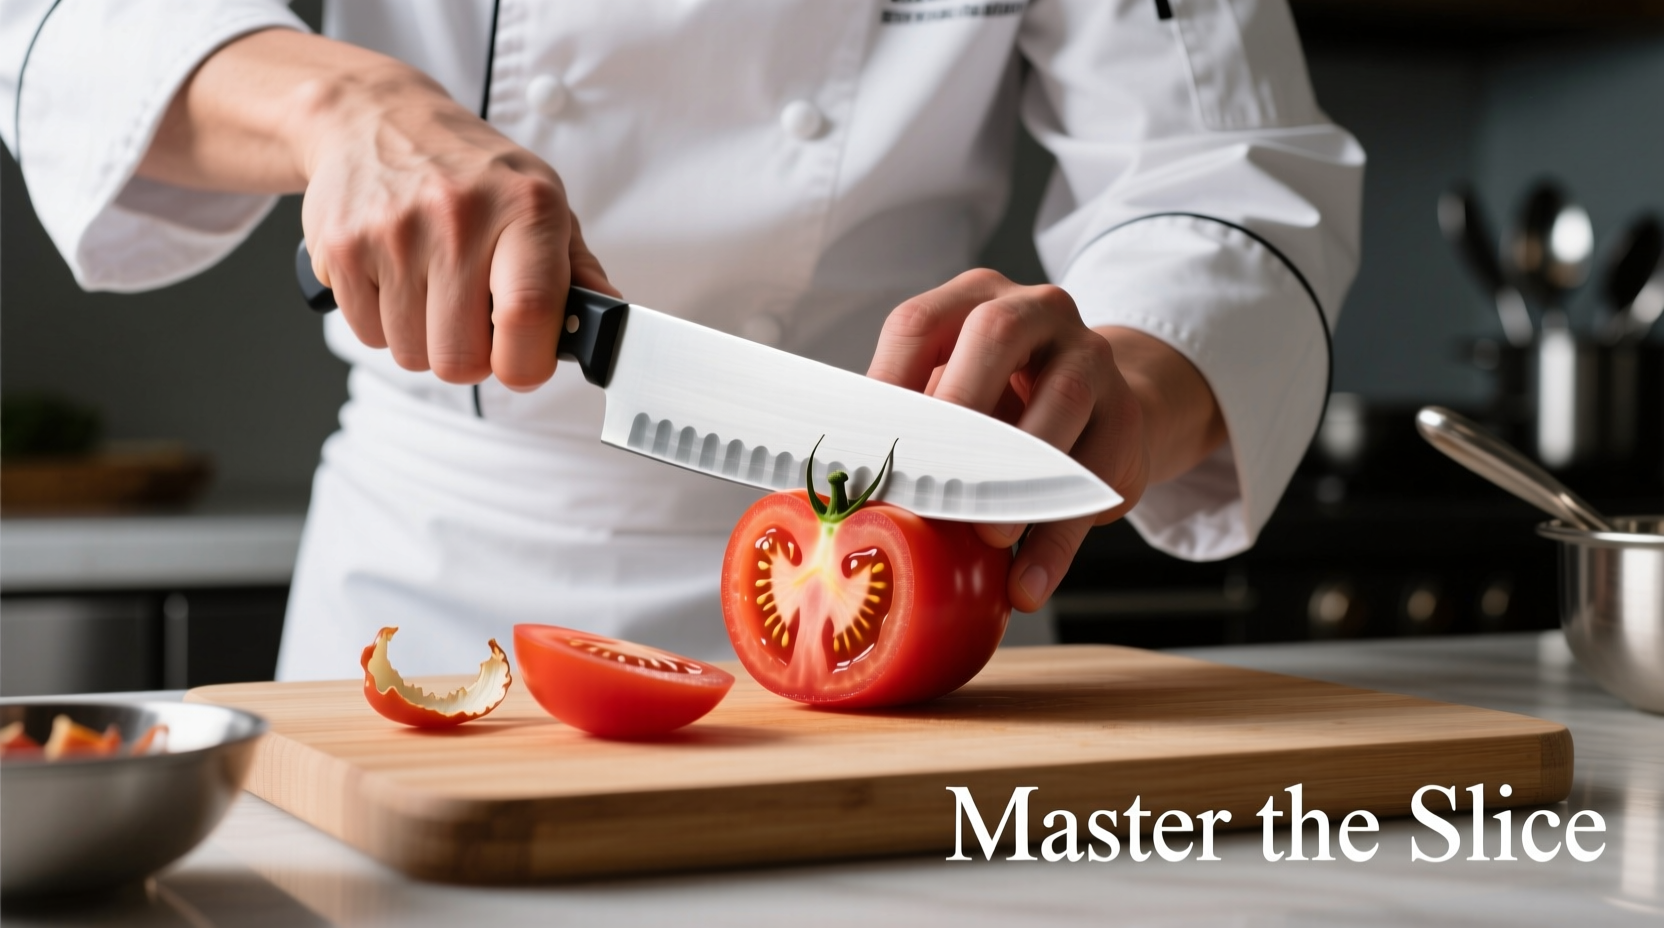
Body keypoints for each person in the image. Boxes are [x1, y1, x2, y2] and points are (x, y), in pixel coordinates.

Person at [1, 1, 1362, 679]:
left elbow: (1223, 161)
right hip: (435, 593)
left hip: (905, 585)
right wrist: (342, 104)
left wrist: (1135, 374)